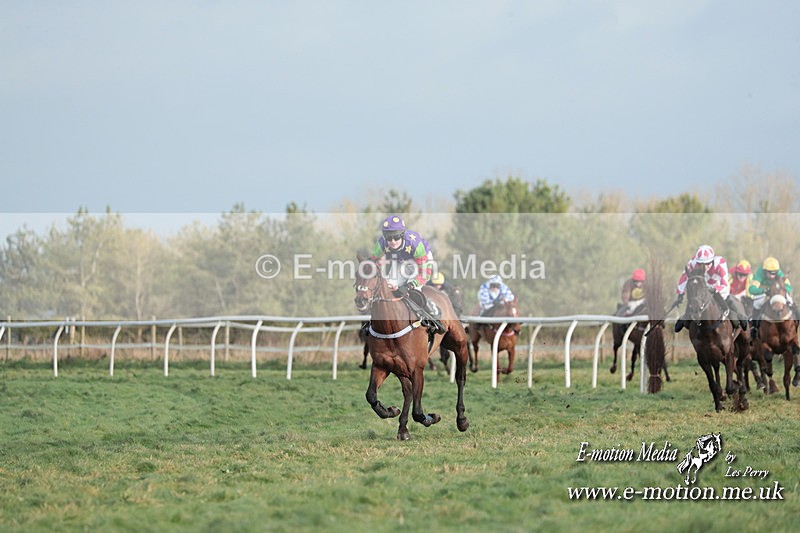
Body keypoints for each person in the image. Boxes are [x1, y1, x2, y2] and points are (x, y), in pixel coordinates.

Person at [368, 214, 443, 331]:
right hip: (400, 261)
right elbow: (372, 263)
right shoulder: (381, 243)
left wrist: (409, 285)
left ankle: (431, 315)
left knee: (413, 292)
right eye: (389, 238)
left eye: (396, 237)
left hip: (421, 261)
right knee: (387, 288)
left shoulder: (414, 243)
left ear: (402, 234)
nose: (392, 241)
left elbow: (425, 274)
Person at [674, 245, 747, 332]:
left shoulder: (721, 262)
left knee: (725, 296)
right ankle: (685, 317)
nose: (704, 267)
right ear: (697, 261)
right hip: (702, 287)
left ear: (712, 260)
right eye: (701, 264)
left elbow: (725, 285)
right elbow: (684, 277)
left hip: (718, 286)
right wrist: (680, 294)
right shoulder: (693, 262)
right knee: (695, 297)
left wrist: (715, 288)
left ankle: (739, 316)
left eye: (707, 263)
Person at [748, 256, 800, 334]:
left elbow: (789, 288)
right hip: (764, 292)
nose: (773, 275)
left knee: (790, 301)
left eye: (775, 272)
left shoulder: (779, 273)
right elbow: (751, 289)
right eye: (770, 273)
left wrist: (780, 291)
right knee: (757, 304)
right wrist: (764, 290)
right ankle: (754, 327)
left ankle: (797, 321)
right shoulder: (760, 273)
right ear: (765, 271)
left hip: (777, 292)